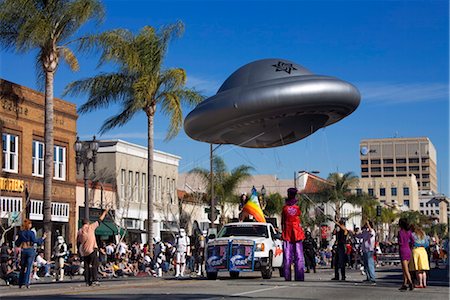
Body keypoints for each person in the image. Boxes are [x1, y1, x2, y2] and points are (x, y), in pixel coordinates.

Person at [77, 208, 109, 286]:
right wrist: (105, 212)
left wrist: (79, 252)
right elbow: (99, 220)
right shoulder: (90, 227)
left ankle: (87, 281)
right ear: (88, 223)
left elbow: (78, 242)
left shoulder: (80, 231)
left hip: (85, 251)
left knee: (87, 266)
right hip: (92, 249)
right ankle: (95, 279)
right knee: (95, 265)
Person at [281, 187, 305, 281]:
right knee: (299, 256)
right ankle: (299, 276)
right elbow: (299, 219)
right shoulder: (297, 208)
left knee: (287, 256)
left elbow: (283, 222)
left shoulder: (285, 209)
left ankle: (287, 276)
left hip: (288, 232)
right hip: (296, 233)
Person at [14, 218, 46, 288]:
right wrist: (42, 238)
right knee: (29, 267)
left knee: (22, 267)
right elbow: (35, 241)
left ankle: (20, 283)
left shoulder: (21, 233)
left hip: (23, 250)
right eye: (30, 223)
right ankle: (26, 283)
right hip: (30, 250)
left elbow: (17, 243)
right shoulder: (31, 233)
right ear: (28, 225)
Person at [354, 220, 376, 285]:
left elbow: (371, 232)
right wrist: (354, 233)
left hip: (369, 250)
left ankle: (372, 278)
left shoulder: (372, 231)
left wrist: (368, 224)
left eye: (367, 224)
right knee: (366, 265)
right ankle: (368, 277)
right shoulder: (365, 232)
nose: (366, 225)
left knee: (370, 264)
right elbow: (359, 236)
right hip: (364, 250)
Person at [398, 217, 415, 291]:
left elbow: (400, 242)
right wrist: (410, 246)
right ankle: (404, 284)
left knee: (406, 269)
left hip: (403, 250)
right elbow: (413, 241)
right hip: (408, 250)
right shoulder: (409, 232)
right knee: (405, 269)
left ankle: (410, 283)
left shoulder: (400, 232)